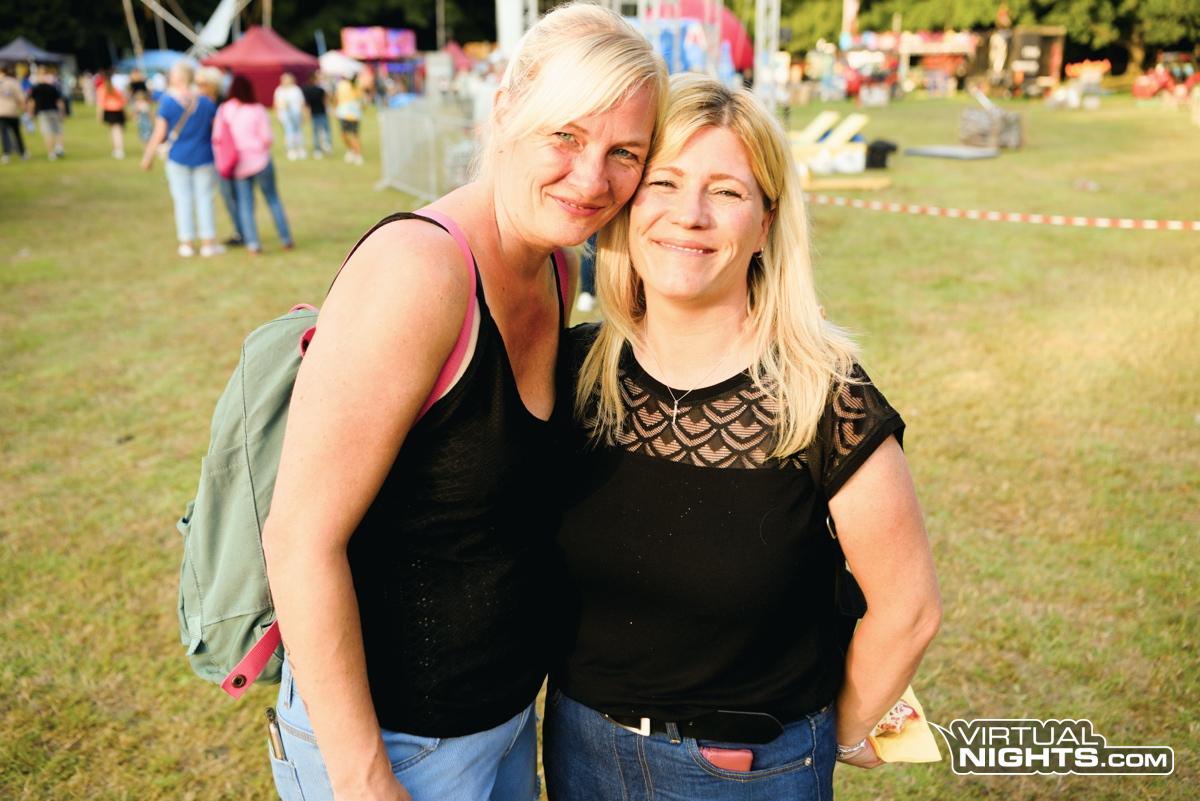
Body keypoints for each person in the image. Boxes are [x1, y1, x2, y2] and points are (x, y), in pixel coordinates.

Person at [259, 4, 665, 800]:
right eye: (566, 135)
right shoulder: (420, 271)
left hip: (502, 719)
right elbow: (299, 539)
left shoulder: (555, 266)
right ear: (506, 109)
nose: (593, 179)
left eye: (625, 152)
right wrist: (364, 778)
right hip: (397, 745)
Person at [544, 73, 942, 800]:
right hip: (580, 749)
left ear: (765, 223)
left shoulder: (823, 395)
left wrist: (831, 738)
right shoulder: (571, 370)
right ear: (629, 205)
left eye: (726, 191)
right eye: (664, 182)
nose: (689, 214)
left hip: (746, 770)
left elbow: (909, 608)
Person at [139, 62, 224, 258]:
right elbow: (216, 131)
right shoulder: (205, 102)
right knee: (205, 199)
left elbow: (159, 132)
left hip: (178, 156)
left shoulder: (168, 102)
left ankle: (187, 243)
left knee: (182, 200)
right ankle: (208, 243)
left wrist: (148, 156)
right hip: (204, 156)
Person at [213, 75, 293, 254]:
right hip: (260, 160)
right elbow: (267, 138)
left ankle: (253, 243)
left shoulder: (225, 110)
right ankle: (285, 238)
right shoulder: (257, 110)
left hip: (238, 164)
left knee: (245, 204)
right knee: (273, 199)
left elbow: (217, 138)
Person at [196, 66, 244, 247]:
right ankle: (240, 230)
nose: (199, 87)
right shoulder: (198, 103)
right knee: (227, 195)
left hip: (228, 156)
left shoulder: (223, 104)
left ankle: (242, 231)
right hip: (212, 156)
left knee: (233, 194)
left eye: (202, 84)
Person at [27, 67, 66, 160]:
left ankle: (51, 153)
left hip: (43, 113)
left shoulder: (35, 88)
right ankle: (59, 147)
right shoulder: (52, 87)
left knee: (48, 133)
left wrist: (30, 113)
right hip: (54, 111)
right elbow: (59, 101)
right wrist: (62, 112)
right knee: (58, 131)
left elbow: (32, 102)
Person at [273, 71, 307, 160]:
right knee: (289, 132)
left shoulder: (296, 89)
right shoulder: (279, 90)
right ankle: (291, 150)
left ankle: (300, 149)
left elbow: (301, 102)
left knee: (298, 131)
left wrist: (303, 113)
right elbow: (276, 103)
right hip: (285, 114)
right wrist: (277, 114)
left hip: (296, 113)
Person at [0, 64, 29, 163]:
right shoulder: (13, 82)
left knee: (4, 134)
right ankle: (22, 153)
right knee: (16, 133)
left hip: (2, 112)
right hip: (12, 111)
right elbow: (21, 97)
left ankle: (6, 154)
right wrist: (25, 109)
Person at [96, 70, 128, 159]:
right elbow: (123, 101)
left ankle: (118, 149)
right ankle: (117, 149)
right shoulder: (115, 88)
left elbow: (100, 104)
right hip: (118, 111)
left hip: (110, 111)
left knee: (114, 131)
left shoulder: (102, 89)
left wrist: (99, 116)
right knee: (117, 131)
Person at [301, 70, 332, 158]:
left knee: (316, 132)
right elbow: (326, 100)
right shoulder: (320, 89)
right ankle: (326, 145)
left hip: (314, 112)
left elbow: (306, 103)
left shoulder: (306, 89)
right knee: (325, 130)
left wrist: (306, 112)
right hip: (321, 112)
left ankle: (317, 149)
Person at [334, 73, 364, 165]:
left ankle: (358, 154)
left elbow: (360, 98)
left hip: (354, 113)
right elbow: (337, 98)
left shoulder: (356, 85)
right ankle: (351, 150)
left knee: (354, 135)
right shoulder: (341, 84)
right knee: (344, 134)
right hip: (343, 113)